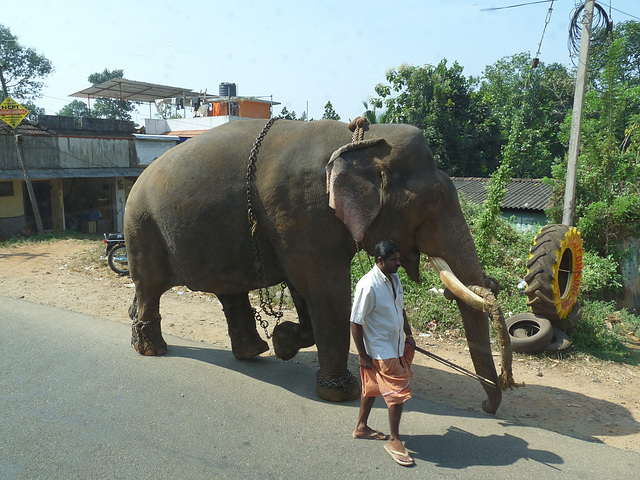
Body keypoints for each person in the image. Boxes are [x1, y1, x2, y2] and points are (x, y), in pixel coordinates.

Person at [350, 239, 416, 467]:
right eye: (394, 260)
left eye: (399, 258)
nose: (399, 263)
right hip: (380, 349)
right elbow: (356, 322)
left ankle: (361, 427)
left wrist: (408, 335)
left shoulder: (395, 279)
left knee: (372, 387)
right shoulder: (368, 285)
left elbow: (400, 308)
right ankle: (395, 440)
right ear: (380, 261)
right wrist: (362, 355)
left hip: (396, 345)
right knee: (397, 394)